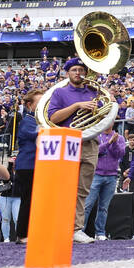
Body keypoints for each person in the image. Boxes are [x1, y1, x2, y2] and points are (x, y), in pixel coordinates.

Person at [43, 56, 104, 245]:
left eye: (81, 70)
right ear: (67, 73)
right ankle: (59, 227)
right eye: (74, 70)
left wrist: (99, 102)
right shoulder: (60, 93)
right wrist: (77, 106)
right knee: (64, 188)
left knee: (83, 190)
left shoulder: (94, 92)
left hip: (90, 143)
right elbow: (53, 117)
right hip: (68, 142)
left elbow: (105, 115)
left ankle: (76, 229)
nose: (79, 73)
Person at [83, 124, 126, 240]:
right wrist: (109, 142)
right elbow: (95, 151)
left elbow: (120, 154)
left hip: (111, 176)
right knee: (88, 205)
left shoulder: (120, 138)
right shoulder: (96, 136)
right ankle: (80, 230)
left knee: (104, 207)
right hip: (96, 174)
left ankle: (100, 232)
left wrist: (115, 142)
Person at [12, 89, 42, 242]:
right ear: (29, 105)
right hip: (27, 166)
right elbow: (40, 133)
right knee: (28, 200)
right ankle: (22, 234)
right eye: (40, 102)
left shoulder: (37, 120)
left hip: (36, 165)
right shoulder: (27, 120)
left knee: (35, 201)